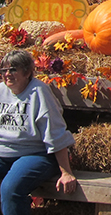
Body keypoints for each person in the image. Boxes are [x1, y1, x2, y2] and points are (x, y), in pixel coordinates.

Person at [0, 49, 77, 215]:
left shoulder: (39, 92)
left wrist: (66, 172)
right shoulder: (1, 91)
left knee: (10, 189)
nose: (7, 74)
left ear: (27, 71)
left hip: (35, 154)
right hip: (3, 153)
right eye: (4, 70)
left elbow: (55, 133)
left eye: (13, 69)